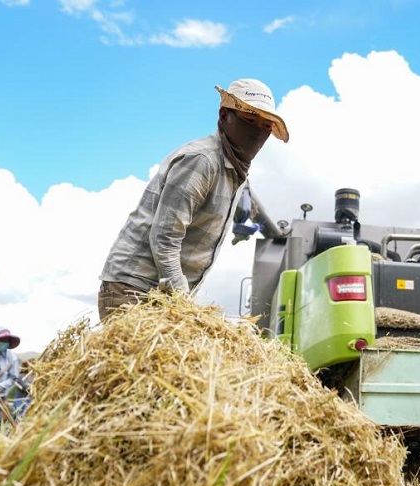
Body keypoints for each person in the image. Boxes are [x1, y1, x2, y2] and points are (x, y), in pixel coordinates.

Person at [97, 78, 289, 321]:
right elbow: (165, 238)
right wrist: (183, 306)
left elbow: (250, 203)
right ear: (224, 116)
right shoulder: (202, 161)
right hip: (135, 290)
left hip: (163, 295)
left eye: (263, 125)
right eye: (249, 120)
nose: (255, 132)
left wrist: (277, 234)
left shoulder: (235, 172)